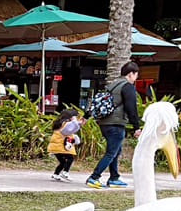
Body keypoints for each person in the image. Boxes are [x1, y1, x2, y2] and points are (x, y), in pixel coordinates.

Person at [85, 61, 140, 189]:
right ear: (131, 74)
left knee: (116, 150)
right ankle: (94, 177)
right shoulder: (128, 86)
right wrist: (136, 127)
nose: (136, 78)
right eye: (136, 75)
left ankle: (114, 177)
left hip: (105, 123)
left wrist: (86, 116)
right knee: (111, 152)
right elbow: (131, 108)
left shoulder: (113, 85)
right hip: (116, 123)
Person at [48, 109, 81, 181]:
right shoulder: (66, 124)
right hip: (61, 146)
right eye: (74, 116)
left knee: (62, 162)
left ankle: (56, 174)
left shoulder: (60, 123)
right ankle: (65, 172)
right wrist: (74, 120)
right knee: (70, 158)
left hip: (55, 146)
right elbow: (72, 128)